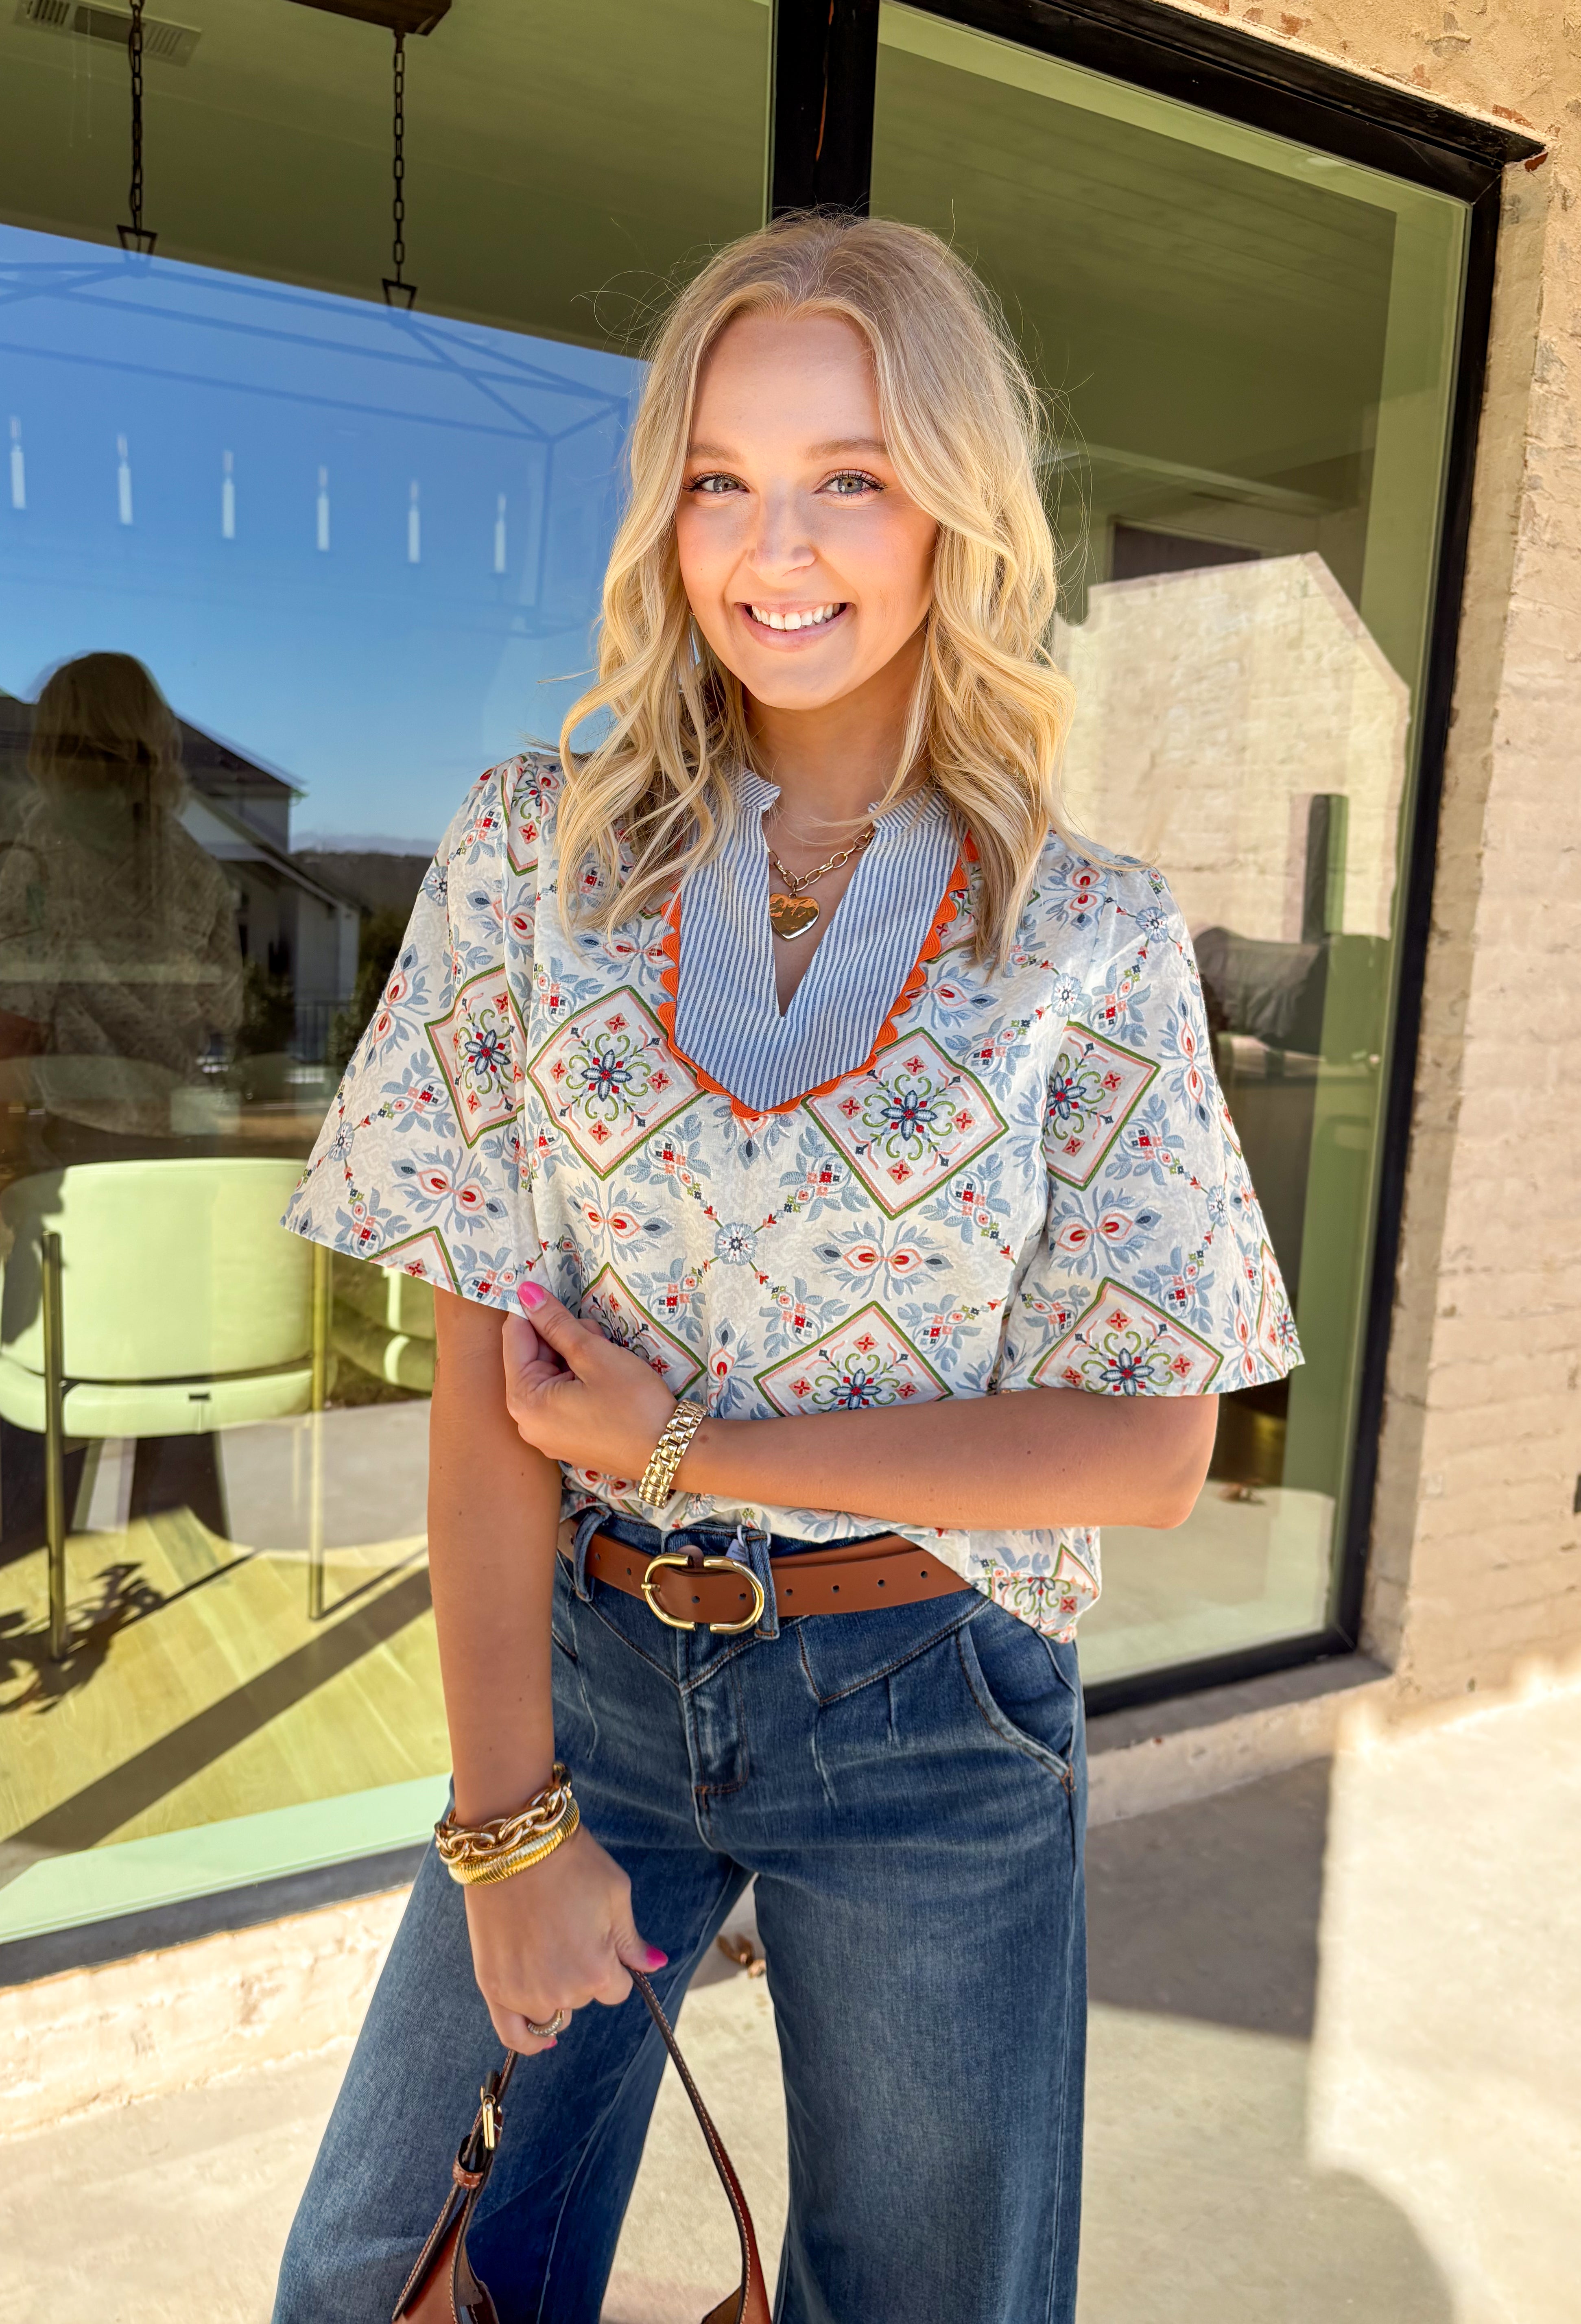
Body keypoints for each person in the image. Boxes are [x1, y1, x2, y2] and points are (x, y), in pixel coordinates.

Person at [273, 214, 1299, 2324]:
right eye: (721, 478)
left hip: (931, 1705)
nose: (777, 546)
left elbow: (1146, 1446)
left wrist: (699, 1443)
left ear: (950, 510)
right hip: (585, 1678)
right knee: (382, 2279)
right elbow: (483, 1394)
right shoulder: (523, 859)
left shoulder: (1082, 932)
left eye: (847, 475)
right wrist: (502, 1824)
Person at [0, 651, 242, 1151]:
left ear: (50, 744)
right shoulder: (196, 865)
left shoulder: (38, 853)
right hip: (187, 1121)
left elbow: (16, 1022)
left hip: (83, 1133)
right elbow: (227, 1008)